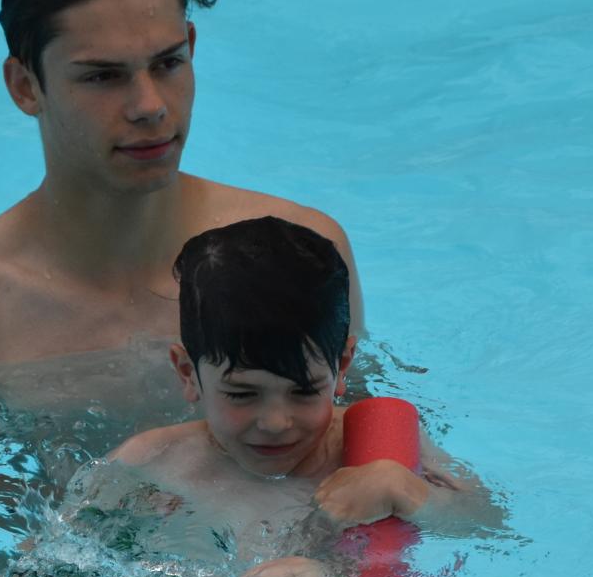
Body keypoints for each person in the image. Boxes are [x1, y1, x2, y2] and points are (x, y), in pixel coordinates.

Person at [0, 0, 365, 373]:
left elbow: (368, 420)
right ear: (25, 87)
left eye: (168, 63)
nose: (149, 106)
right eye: (103, 76)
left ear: (191, 47)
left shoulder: (301, 259)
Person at [98, 216, 497, 552]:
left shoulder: (379, 449)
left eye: (304, 391)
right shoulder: (152, 466)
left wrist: (405, 490)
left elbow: (487, 522)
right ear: (188, 373)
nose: (276, 423)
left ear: (342, 367)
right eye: (242, 394)